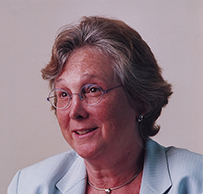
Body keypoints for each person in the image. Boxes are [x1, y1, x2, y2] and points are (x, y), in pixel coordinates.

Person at [8, 16, 203, 194]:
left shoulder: (195, 180)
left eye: (92, 90)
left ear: (140, 100)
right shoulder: (28, 186)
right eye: (64, 94)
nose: (75, 111)